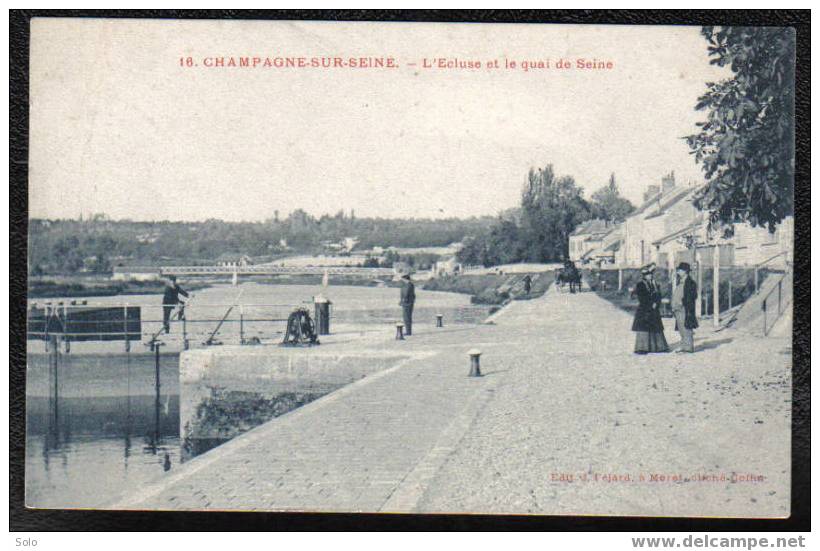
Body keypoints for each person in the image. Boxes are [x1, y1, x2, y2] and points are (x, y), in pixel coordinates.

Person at [631, 263, 669, 354]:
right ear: (644, 276)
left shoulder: (655, 284)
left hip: (654, 309)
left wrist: (656, 303)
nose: (650, 276)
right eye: (648, 275)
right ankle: (642, 347)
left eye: (651, 274)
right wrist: (650, 304)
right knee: (643, 328)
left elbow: (658, 295)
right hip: (644, 309)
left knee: (656, 327)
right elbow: (642, 297)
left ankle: (658, 347)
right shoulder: (640, 285)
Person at [672, 262, 698, 353]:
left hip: (685, 309)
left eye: (680, 270)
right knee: (681, 328)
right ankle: (684, 346)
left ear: (685, 271)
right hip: (678, 310)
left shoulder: (690, 282)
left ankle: (688, 348)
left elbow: (693, 296)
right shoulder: (681, 281)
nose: (678, 272)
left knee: (686, 328)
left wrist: (681, 302)